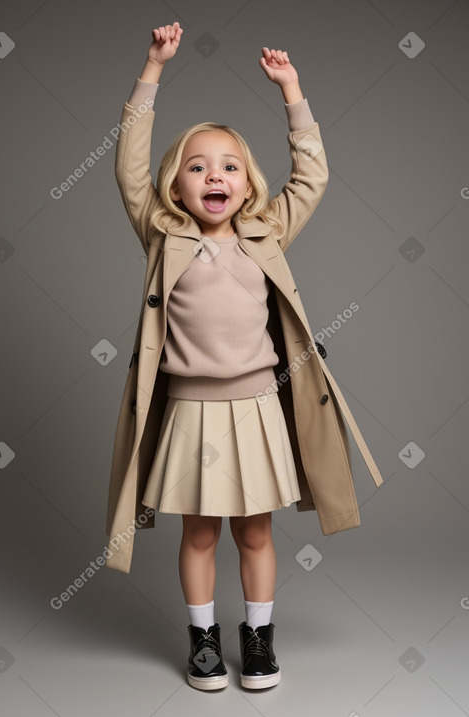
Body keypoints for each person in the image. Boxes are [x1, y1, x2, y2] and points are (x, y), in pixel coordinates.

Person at [108, 21, 383, 691]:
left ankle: (257, 640)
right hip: (193, 413)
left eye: (229, 165)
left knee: (255, 533)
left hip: (258, 408)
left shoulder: (267, 231)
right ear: (176, 187)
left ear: (247, 184)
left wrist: (292, 92)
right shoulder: (162, 234)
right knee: (199, 534)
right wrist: (152, 69)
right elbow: (129, 166)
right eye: (198, 166)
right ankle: (204, 640)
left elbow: (312, 176)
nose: (215, 175)